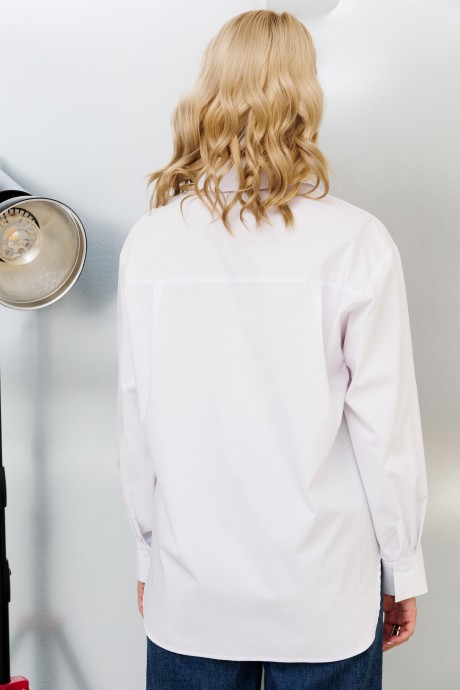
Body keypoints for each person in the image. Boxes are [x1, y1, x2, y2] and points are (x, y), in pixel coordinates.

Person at [117, 9, 428, 690]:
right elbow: (385, 433)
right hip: (322, 594)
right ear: (305, 97)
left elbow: (136, 422)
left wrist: (148, 556)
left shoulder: (151, 242)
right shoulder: (357, 242)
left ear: (209, 89)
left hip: (191, 591)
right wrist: (401, 567)